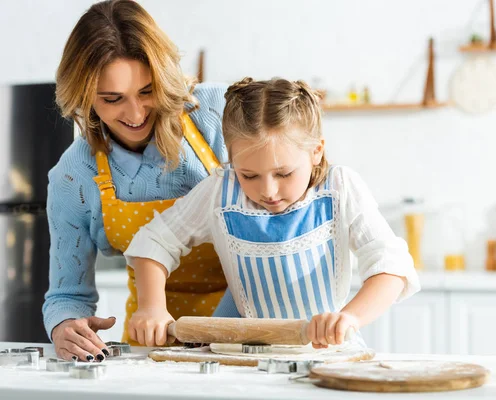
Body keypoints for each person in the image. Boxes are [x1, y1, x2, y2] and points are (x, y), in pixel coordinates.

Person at [124, 77, 421, 348]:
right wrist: (151, 306)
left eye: (284, 173)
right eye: (249, 175)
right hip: (246, 357)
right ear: (231, 157)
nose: (268, 190)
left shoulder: (340, 188)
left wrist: (350, 318)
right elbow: (155, 241)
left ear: (316, 151)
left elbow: (391, 266)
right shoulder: (220, 192)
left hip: (326, 353)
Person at [43, 0, 237, 362]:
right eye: (112, 99)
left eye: (147, 91)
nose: (135, 114)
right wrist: (65, 326)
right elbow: (66, 295)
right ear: (83, 97)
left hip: (246, 334)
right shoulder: (73, 176)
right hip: (151, 348)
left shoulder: (222, 114)